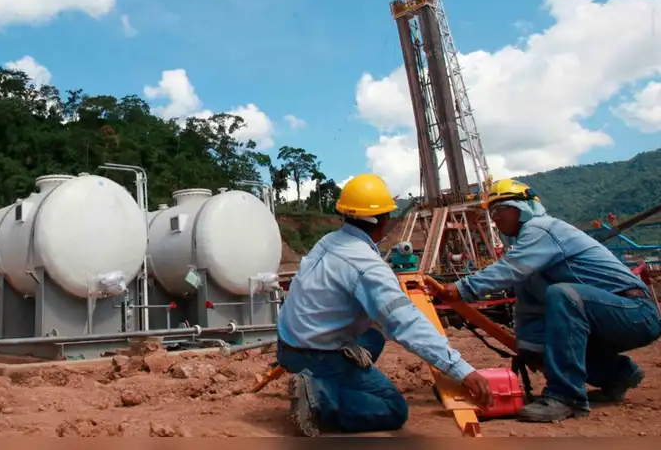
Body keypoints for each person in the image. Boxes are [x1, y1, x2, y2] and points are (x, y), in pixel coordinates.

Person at [276, 173, 492, 436]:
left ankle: (329, 380)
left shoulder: (328, 241)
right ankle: (319, 394)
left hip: (288, 345)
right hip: (316, 355)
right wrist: (461, 370)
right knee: (392, 408)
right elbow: (405, 322)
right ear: (384, 220)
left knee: (374, 337)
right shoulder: (366, 266)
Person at [438, 178, 661, 423]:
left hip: (636, 312)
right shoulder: (530, 253)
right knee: (548, 342)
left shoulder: (540, 229)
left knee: (563, 294)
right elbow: (528, 308)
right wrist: (530, 349)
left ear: (518, 209)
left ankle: (567, 397)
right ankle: (618, 375)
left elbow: (510, 269)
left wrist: (462, 288)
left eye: (497, 211)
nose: (494, 219)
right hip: (608, 314)